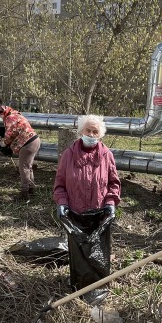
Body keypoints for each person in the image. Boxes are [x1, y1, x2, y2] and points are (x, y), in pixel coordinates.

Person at [53, 115, 121, 306]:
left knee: (99, 253)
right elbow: (60, 185)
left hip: (99, 215)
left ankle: (98, 287)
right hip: (75, 214)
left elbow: (113, 183)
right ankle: (79, 285)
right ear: (80, 132)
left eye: (95, 132)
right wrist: (62, 203)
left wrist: (110, 203)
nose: (91, 134)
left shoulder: (106, 155)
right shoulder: (69, 155)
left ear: (100, 135)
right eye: (88, 131)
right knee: (79, 254)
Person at [0, 105, 41, 201]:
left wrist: (4, 144)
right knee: (28, 167)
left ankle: (24, 193)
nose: (0, 115)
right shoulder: (16, 115)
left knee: (23, 168)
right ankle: (31, 189)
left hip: (27, 143)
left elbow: (11, 133)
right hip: (34, 140)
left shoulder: (10, 118)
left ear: (5, 112)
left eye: (1, 113)